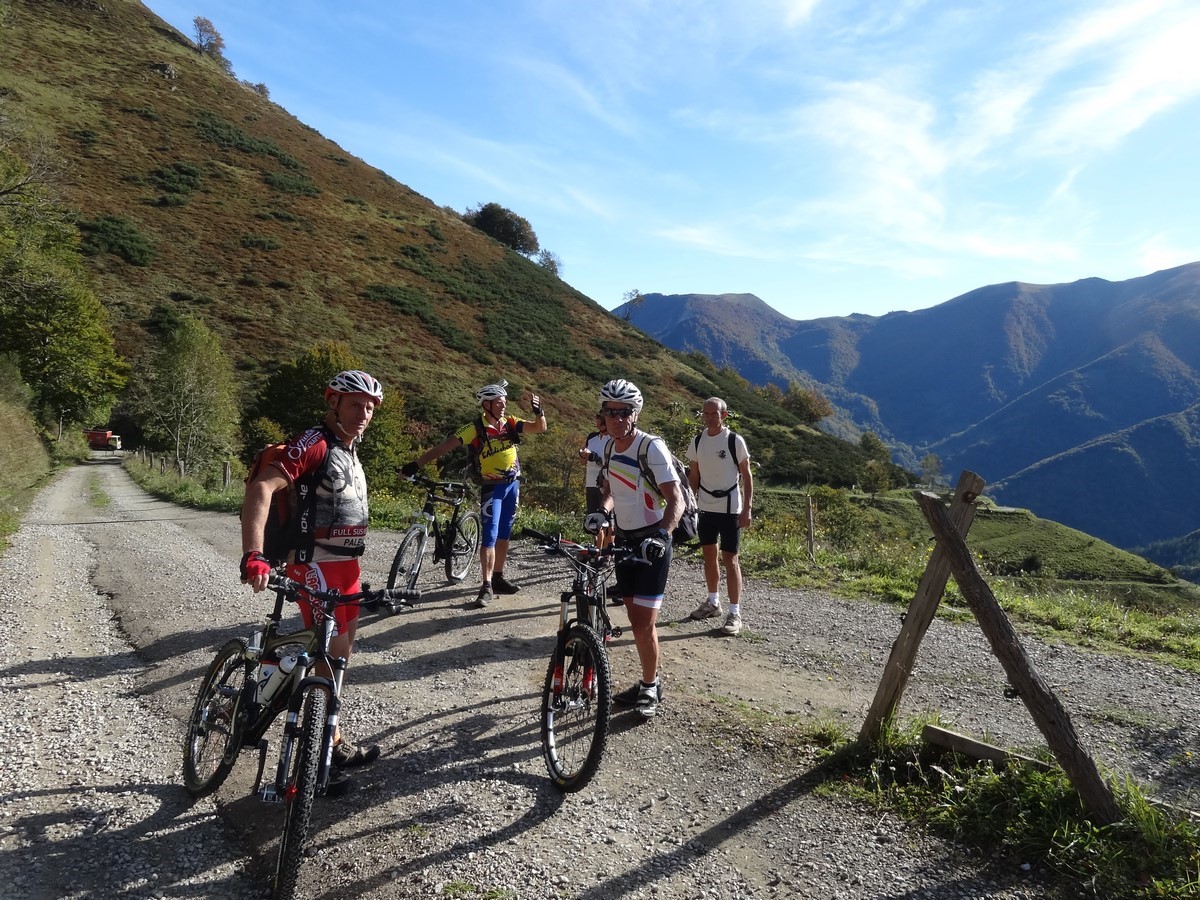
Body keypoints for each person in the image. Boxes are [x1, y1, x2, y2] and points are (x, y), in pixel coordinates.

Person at [240, 369, 385, 794]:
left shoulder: (350, 450)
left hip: (348, 569)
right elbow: (262, 488)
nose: (364, 413)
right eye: (355, 404)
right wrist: (253, 554)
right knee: (327, 656)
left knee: (339, 659)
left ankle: (331, 739)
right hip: (313, 564)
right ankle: (312, 760)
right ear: (333, 403)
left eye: (370, 407)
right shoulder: (315, 442)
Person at [401, 380, 547, 608]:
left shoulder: (509, 422)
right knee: (490, 535)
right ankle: (486, 585)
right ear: (486, 404)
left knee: (504, 533)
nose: (503, 406)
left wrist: (539, 413)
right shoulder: (474, 428)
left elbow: (539, 428)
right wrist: (416, 464)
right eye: (499, 403)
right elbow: (443, 447)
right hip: (492, 487)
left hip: (512, 486)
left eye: (504, 402)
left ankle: (498, 577)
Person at [590, 378, 682, 718]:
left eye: (624, 412)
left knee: (643, 622)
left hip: (652, 541)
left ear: (635, 414)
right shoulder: (609, 447)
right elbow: (612, 489)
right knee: (633, 615)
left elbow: (677, 499)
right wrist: (603, 511)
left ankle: (650, 687)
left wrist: (663, 535)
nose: (616, 418)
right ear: (603, 414)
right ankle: (648, 682)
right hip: (625, 540)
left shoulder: (650, 447)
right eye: (610, 412)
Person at [685, 397, 754, 635]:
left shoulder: (734, 440)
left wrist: (747, 508)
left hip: (730, 509)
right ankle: (713, 603)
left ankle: (735, 613)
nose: (709, 418)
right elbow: (694, 476)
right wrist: (688, 503)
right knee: (709, 555)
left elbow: (747, 476)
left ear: (724, 415)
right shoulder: (697, 441)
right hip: (705, 507)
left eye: (714, 413)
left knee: (730, 559)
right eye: (705, 413)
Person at [578, 413, 612, 552]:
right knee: (593, 520)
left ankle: (606, 553)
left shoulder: (613, 439)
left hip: (605, 485)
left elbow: (613, 463)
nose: (596, 421)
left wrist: (595, 457)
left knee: (607, 521)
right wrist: (583, 455)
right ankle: (597, 551)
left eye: (598, 419)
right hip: (590, 483)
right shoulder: (592, 437)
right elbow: (583, 462)